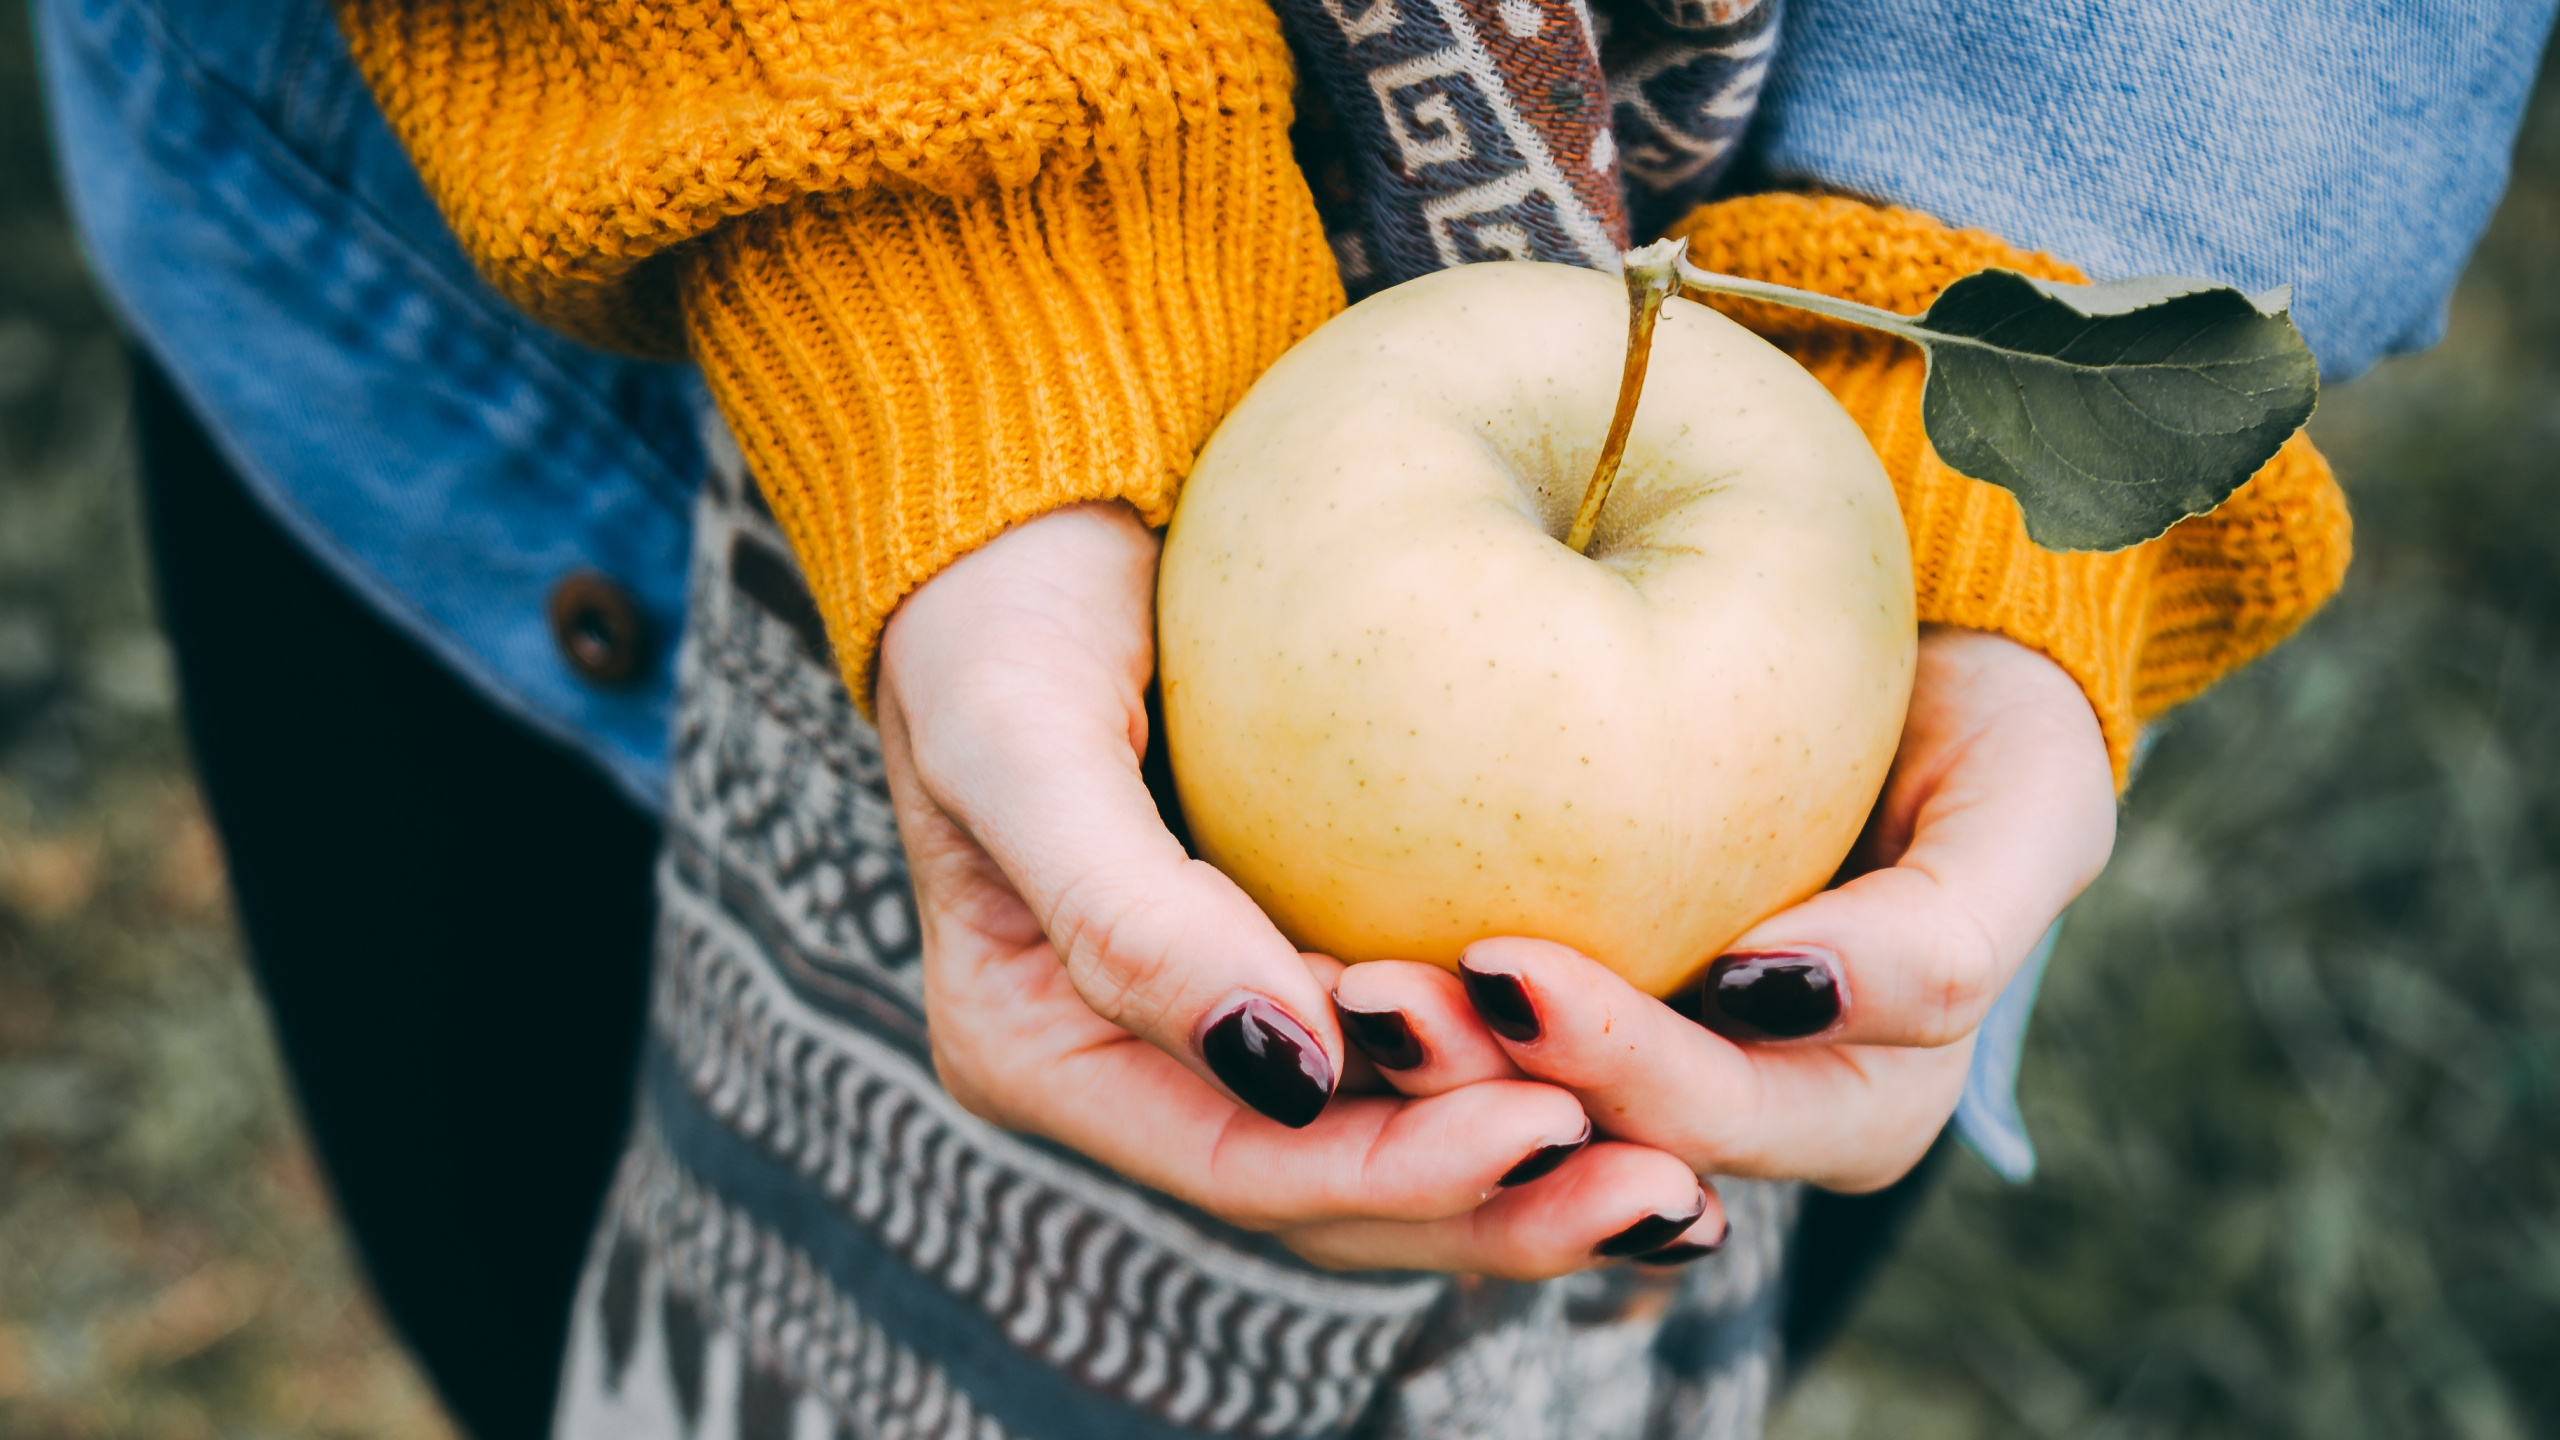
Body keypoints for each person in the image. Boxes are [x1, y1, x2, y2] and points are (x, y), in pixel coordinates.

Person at [34, 0, 2553, 1436]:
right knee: (521, 1270)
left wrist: (1985, 356)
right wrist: (957, 262)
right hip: (587, 261)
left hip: (1811, 518)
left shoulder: (1835, 552)